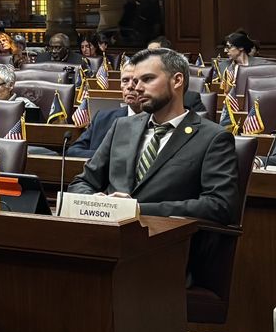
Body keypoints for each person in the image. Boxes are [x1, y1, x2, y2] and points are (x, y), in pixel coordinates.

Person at [67, 48, 240, 224]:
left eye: (147, 79)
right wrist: (96, 202)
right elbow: (82, 182)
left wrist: (138, 208)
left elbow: (219, 205)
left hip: (169, 240)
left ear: (177, 80)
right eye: (135, 81)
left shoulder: (213, 137)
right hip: (108, 233)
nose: (137, 87)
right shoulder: (122, 126)